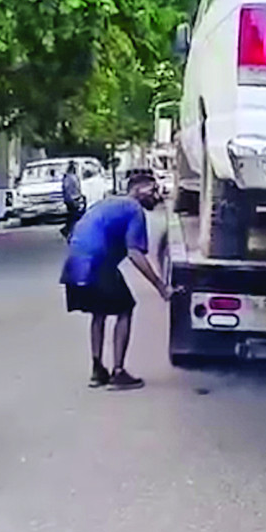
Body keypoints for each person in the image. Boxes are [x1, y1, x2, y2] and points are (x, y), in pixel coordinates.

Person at [60, 172, 171, 389]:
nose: (155, 196)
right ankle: (118, 373)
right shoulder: (133, 209)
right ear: (137, 189)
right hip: (97, 263)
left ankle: (97, 370)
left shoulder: (108, 203)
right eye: (152, 190)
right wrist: (161, 286)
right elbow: (135, 254)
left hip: (74, 263)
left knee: (98, 312)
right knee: (125, 309)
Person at [61, 160, 84, 241]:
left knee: (73, 215)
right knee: (73, 215)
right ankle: (67, 229)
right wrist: (71, 199)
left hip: (74, 198)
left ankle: (68, 229)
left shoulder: (71, 177)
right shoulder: (69, 178)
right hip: (72, 199)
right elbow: (68, 189)